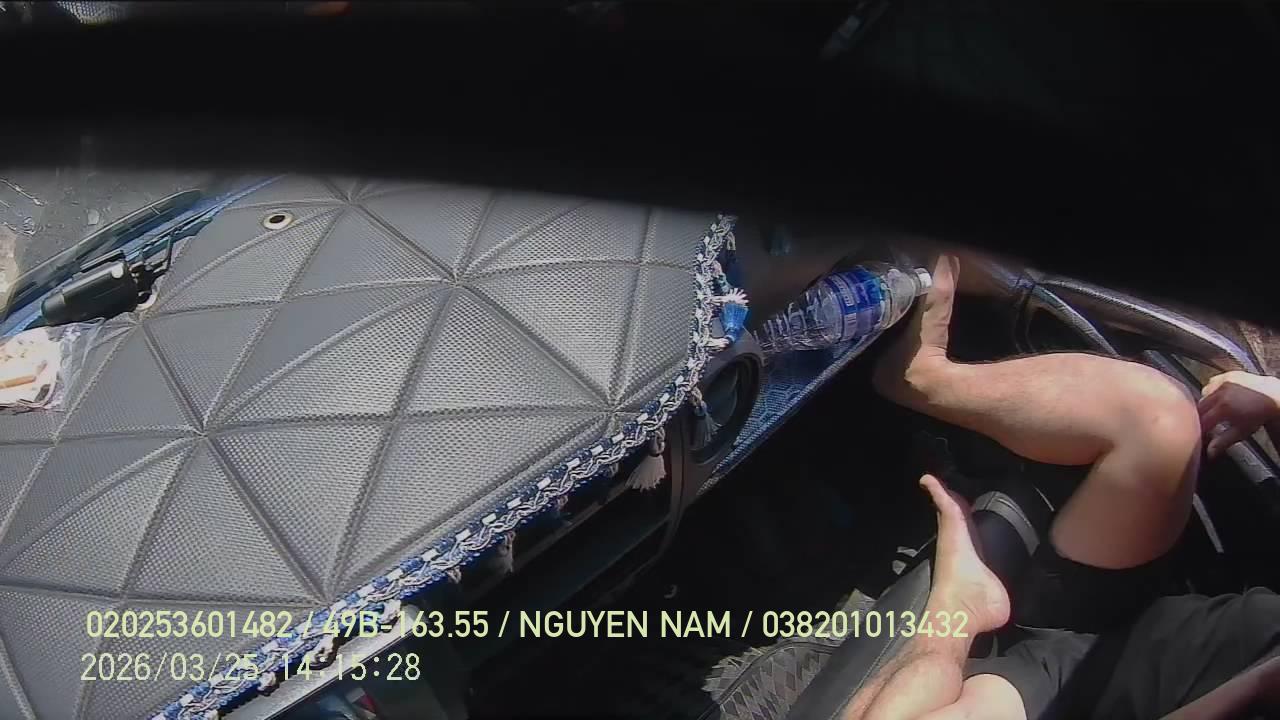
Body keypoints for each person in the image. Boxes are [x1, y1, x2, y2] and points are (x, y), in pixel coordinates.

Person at [842, 254, 1280, 719]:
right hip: (1168, 623)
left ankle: (963, 606)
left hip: (1076, 699)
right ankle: (922, 378)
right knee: (1155, 418)